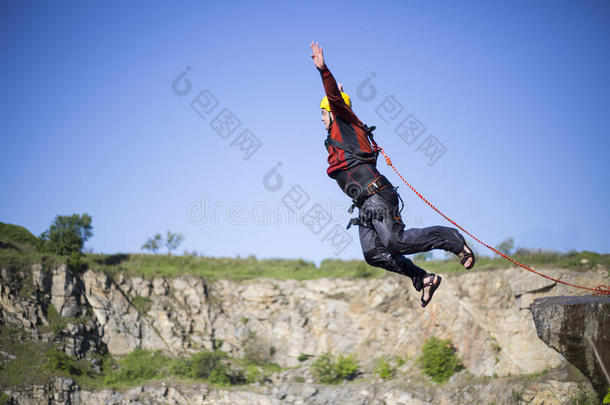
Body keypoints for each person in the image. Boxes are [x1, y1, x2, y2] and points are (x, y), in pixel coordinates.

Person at [309, 41, 475, 307]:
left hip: (377, 195)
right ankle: (423, 278)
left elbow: (335, 100)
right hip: (365, 204)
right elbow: (338, 104)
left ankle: (451, 240)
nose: (320, 119)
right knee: (373, 253)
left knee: (395, 242)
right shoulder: (342, 133)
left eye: (322, 113)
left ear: (332, 111)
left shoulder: (343, 123)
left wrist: (323, 70)